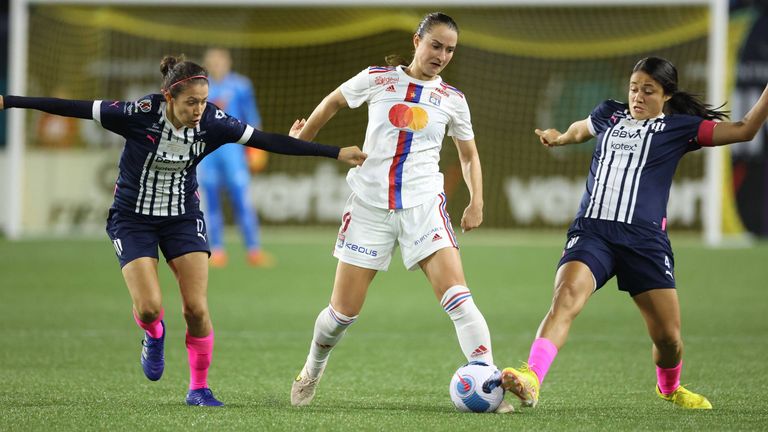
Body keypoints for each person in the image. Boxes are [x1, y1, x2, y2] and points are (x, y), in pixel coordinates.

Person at [0, 55, 366, 407]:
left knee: (196, 309)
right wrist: (10, 101)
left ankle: (199, 388)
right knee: (149, 308)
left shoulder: (214, 122)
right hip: (132, 219)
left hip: (182, 218)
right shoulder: (138, 115)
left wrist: (335, 152)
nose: (198, 110)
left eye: (204, 102)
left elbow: (267, 141)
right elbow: (72, 107)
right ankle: (153, 334)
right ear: (168, 98)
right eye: (191, 102)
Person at [499, 56, 768, 410]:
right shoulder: (609, 114)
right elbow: (582, 128)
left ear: (666, 95)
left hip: (644, 243)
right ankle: (532, 377)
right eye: (633, 88)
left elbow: (745, 129)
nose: (637, 97)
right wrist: (561, 137)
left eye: (648, 91)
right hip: (593, 231)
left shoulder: (680, 128)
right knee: (565, 298)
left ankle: (669, 387)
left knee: (668, 339)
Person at [287, 12, 512, 414]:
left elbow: (468, 154)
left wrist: (476, 201)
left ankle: (488, 382)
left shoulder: (453, 100)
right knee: (341, 315)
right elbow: (333, 102)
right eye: (435, 45)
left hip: (424, 206)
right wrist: (303, 140)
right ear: (417, 41)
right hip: (370, 206)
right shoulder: (377, 78)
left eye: (449, 50)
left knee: (458, 298)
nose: (441, 55)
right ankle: (312, 369)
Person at [198, 48, 272, 268]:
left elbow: (252, 116)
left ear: (228, 62)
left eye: (220, 61)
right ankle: (216, 251)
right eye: (212, 61)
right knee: (210, 203)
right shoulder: (200, 88)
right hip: (207, 153)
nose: (217, 65)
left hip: (234, 153)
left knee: (243, 202)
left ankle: (253, 251)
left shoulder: (241, 85)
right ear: (207, 64)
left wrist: (257, 149)